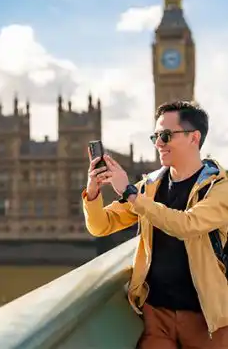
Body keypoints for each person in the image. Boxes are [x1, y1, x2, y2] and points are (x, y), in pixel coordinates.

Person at [82, 101, 228, 349]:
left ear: (194, 138)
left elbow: (186, 224)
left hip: (206, 320)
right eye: (155, 136)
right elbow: (101, 226)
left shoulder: (220, 188)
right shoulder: (149, 186)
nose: (158, 143)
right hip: (155, 316)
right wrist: (93, 191)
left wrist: (129, 193)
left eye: (166, 135)